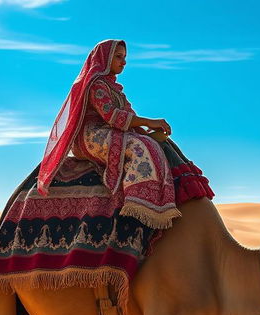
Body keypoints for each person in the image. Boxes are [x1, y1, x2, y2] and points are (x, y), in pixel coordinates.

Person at [37, 39, 211, 229]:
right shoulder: (95, 84)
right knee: (141, 148)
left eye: (125, 57)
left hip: (110, 129)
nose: (124, 62)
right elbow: (112, 116)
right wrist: (148, 122)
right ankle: (138, 205)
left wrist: (148, 131)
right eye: (118, 57)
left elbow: (128, 116)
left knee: (163, 143)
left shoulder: (115, 89)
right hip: (90, 135)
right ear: (105, 58)